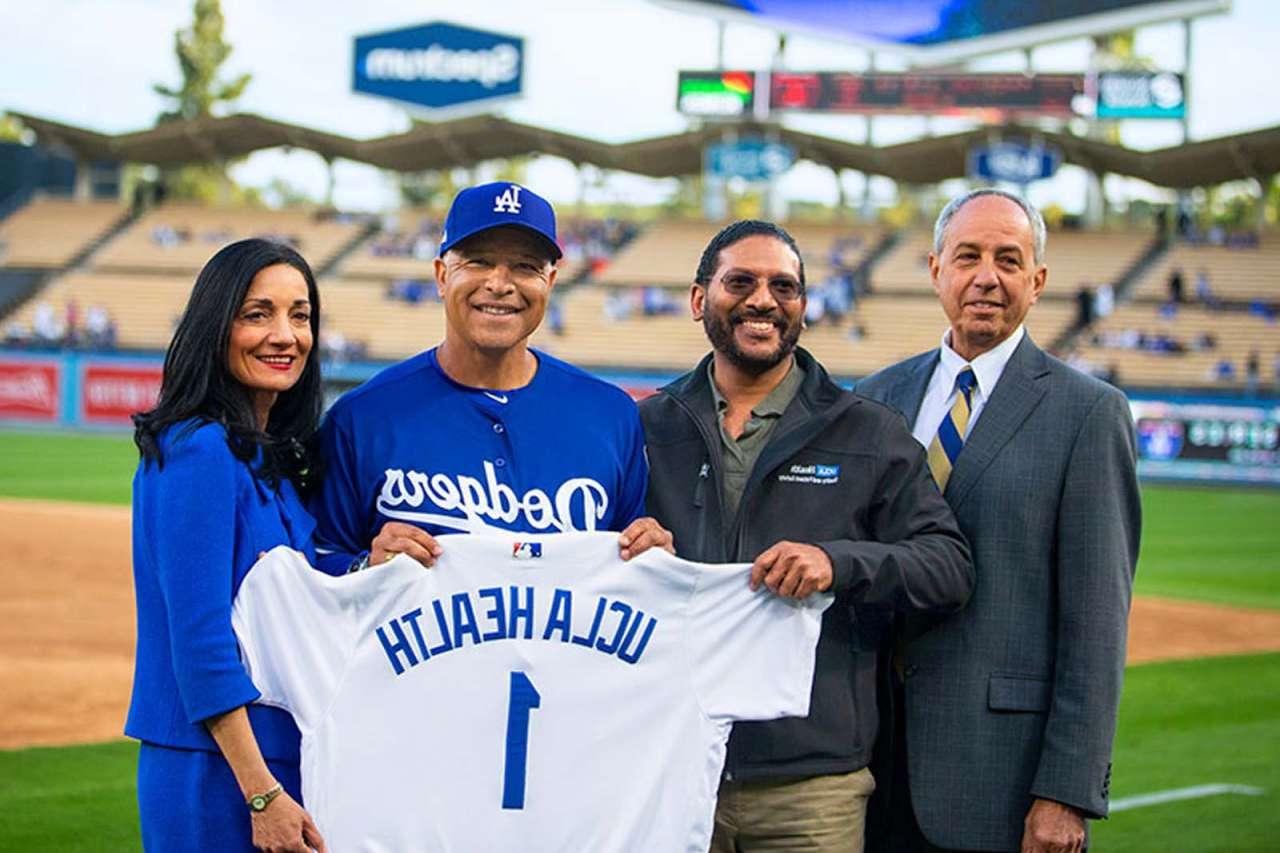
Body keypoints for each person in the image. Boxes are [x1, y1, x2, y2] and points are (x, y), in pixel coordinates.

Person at [640, 220, 974, 852]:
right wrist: (627, 546)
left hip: (812, 789)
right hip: (670, 767)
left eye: (784, 286)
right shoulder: (646, 427)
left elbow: (948, 567)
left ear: (802, 307)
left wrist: (838, 563)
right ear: (697, 300)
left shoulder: (869, 433)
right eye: (740, 281)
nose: (763, 299)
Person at [858, 189, 1141, 853]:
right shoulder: (874, 400)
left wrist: (1067, 791)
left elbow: (1097, 623)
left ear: (1037, 282)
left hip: (999, 781)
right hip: (866, 767)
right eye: (969, 256)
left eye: (1009, 260)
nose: (987, 276)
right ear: (936, 270)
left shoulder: (1088, 414)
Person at [311, 182, 670, 575]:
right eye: (479, 261)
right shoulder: (361, 418)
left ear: (549, 283)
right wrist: (364, 566)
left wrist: (651, 559)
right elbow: (317, 568)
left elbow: (632, 570)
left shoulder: (610, 415)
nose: (500, 284)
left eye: (525, 266)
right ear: (441, 275)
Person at [127, 239, 329, 852]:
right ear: (217, 325)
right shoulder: (199, 449)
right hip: (216, 769)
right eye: (257, 313)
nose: (285, 335)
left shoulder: (266, 457)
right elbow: (201, 637)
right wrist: (261, 793)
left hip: (279, 757)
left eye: (300, 315)